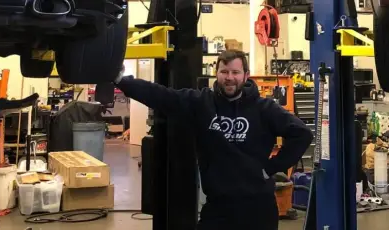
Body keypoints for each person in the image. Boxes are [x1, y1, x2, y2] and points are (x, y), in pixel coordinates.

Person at [114, 49, 313, 230]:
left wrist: (271, 168)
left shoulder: (264, 108)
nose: (229, 78)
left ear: (246, 75)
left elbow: (302, 134)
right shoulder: (202, 103)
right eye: (224, 72)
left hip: (258, 208)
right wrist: (121, 80)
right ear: (216, 74)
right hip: (218, 207)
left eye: (235, 73)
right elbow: (161, 96)